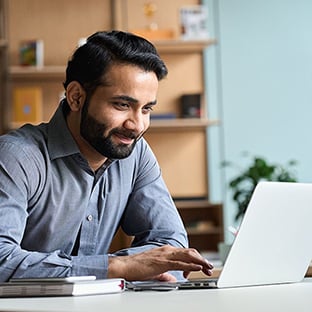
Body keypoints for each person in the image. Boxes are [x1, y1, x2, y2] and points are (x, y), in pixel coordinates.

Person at [0, 31, 213, 282]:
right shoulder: (16, 157)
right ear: (76, 97)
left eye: (146, 109)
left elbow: (171, 244)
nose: (136, 125)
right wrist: (116, 268)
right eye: (122, 105)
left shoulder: (137, 154)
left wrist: (135, 268)